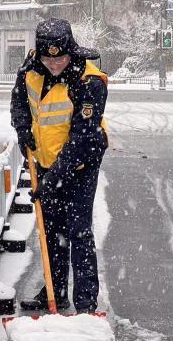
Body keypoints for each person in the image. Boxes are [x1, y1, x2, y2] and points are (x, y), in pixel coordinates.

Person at [10, 18, 108, 314]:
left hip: (80, 165)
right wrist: (23, 128)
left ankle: (86, 303)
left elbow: (82, 138)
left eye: (61, 58)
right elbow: (18, 100)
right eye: (48, 58)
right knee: (50, 231)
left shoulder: (88, 81)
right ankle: (54, 291)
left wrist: (54, 178)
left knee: (78, 230)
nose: (54, 64)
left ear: (71, 51)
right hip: (44, 160)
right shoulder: (31, 67)